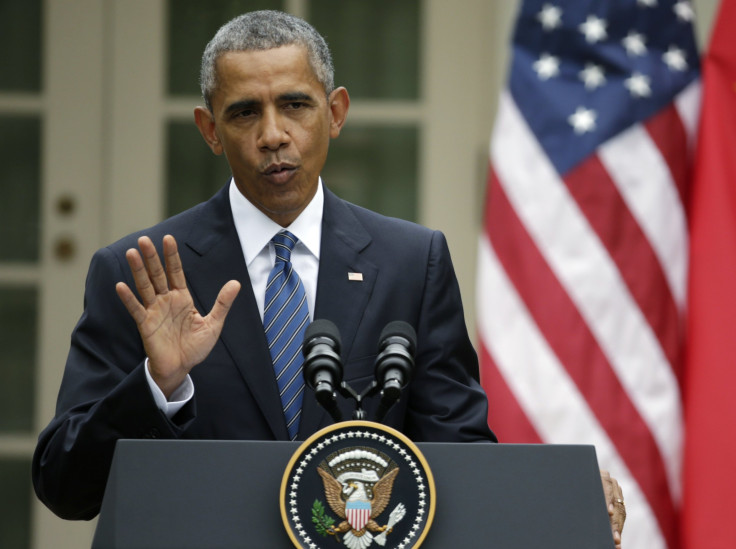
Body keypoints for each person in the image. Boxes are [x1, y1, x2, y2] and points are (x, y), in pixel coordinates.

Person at [31, 10, 625, 546]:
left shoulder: (411, 263)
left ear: (335, 112)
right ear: (210, 129)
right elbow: (65, 488)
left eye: (295, 104)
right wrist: (156, 386)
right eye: (244, 113)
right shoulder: (143, 277)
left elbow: (460, 457)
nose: (272, 135)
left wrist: (564, 502)